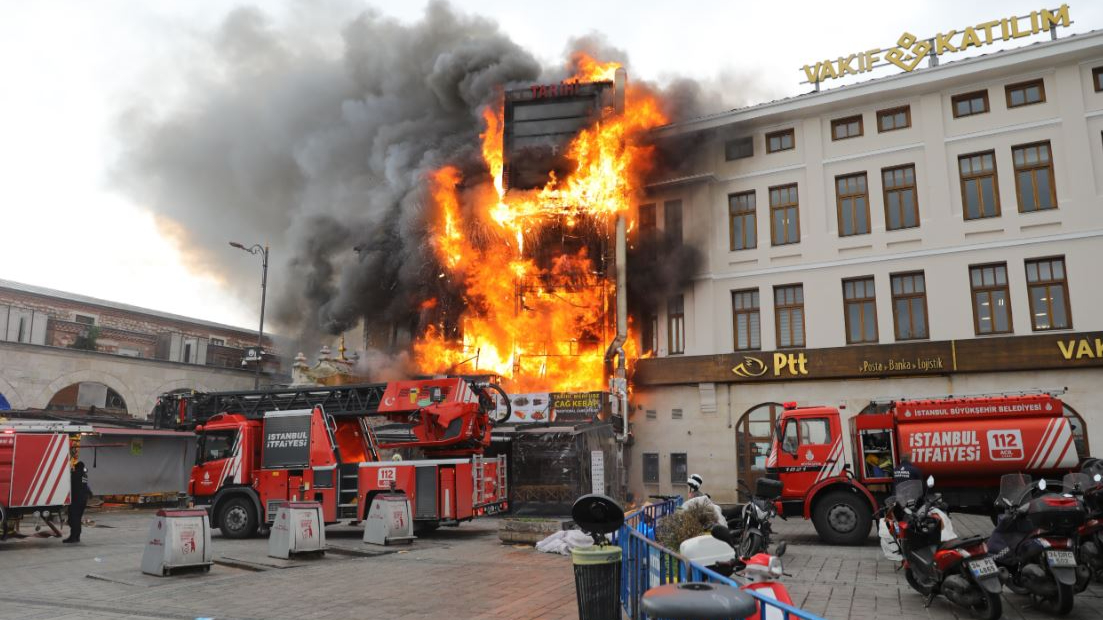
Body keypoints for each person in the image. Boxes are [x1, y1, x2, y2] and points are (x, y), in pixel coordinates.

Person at [64, 461, 91, 544]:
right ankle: (77, 536)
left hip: (76, 499)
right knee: (77, 518)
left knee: (73, 519)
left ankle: (73, 537)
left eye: (75, 467)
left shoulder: (75, 474)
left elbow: (69, 484)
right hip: (83, 500)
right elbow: (85, 486)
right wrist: (89, 493)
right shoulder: (84, 475)